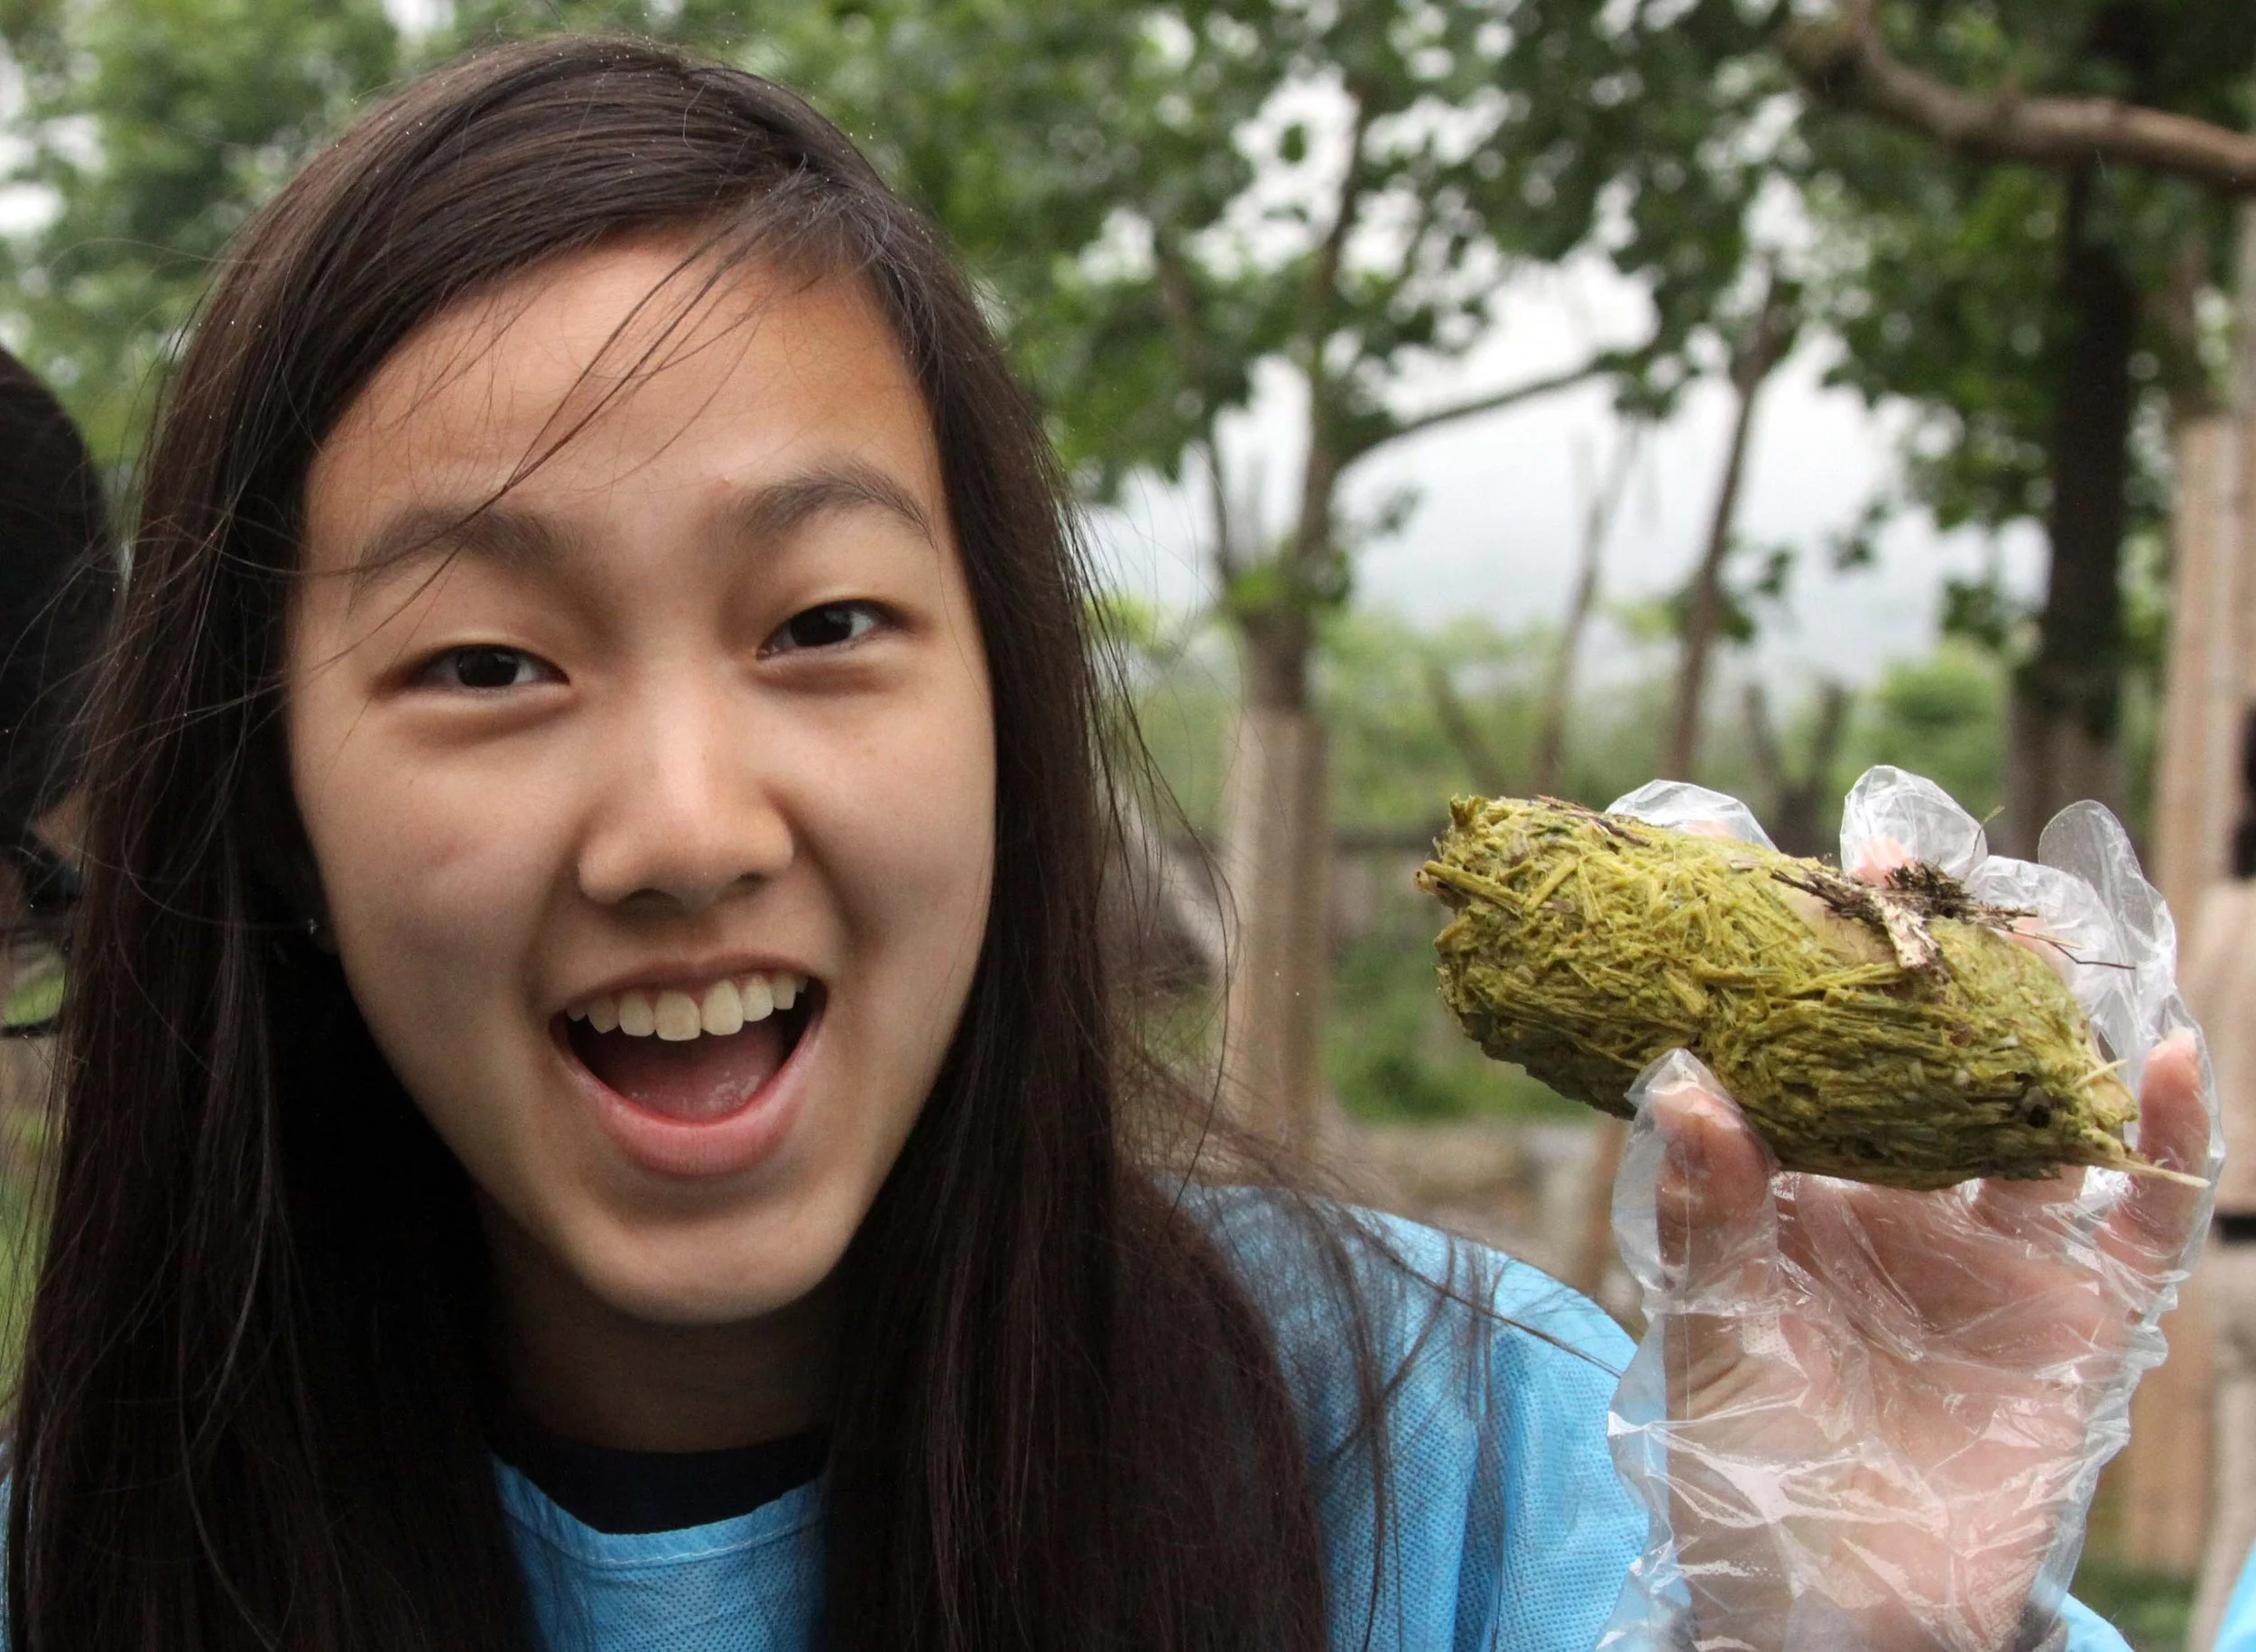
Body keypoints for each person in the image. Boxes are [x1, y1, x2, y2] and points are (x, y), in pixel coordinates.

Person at [0, 38, 2212, 1652]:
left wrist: (1873, 1635)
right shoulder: (76, 1561)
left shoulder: (1507, 1494)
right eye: (486, 664)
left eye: (826, 622)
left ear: (1007, 725)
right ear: (268, 800)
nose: (683, 828)